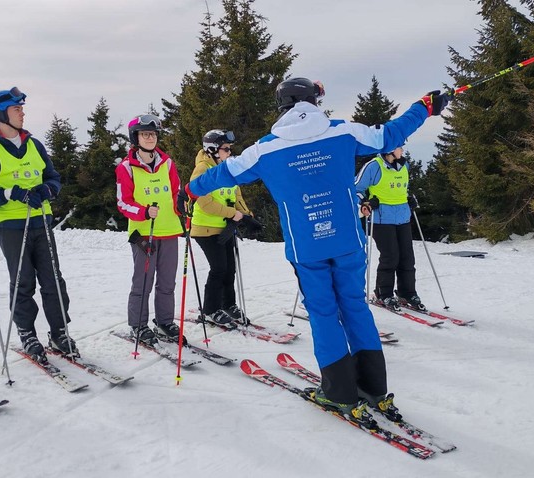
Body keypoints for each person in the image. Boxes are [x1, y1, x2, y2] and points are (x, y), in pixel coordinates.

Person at [186, 77, 450, 418]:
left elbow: (223, 174)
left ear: (283, 106)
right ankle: (374, 388)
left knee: (324, 312)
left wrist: (189, 192)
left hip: (307, 246)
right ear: (313, 102)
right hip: (347, 241)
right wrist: (425, 107)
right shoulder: (342, 132)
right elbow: (391, 134)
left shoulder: (265, 148)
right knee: (355, 306)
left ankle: (339, 392)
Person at [0, 87, 76, 360]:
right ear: (1, 114)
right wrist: (9, 193)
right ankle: (27, 332)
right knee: (23, 280)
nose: (22, 113)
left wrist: (47, 190)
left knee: (53, 280)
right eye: (17, 109)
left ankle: (59, 331)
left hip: (41, 220)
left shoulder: (34, 144)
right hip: (11, 226)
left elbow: (54, 178)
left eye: (22, 109)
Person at [116, 114, 183, 345]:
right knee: (143, 280)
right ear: (135, 137)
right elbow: (122, 202)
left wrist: (183, 207)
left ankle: (165, 321)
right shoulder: (126, 168)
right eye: (145, 134)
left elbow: (176, 192)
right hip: (143, 234)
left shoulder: (168, 163)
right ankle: (138, 324)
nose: (150, 138)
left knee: (167, 282)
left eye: (153, 134)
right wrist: (143, 212)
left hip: (169, 230)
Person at [189, 130, 262, 326]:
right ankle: (210, 310)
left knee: (230, 270)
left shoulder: (227, 168)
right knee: (219, 268)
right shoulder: (203, 169)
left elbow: (236, 196)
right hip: (205, 228)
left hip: (225, 227)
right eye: (225, 149)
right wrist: (233, 215)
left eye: (230, 149)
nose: (229, 152)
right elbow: (205, 203)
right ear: (212, 150)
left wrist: (246, 216)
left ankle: (228, 305)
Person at [356, 146, 424, 312]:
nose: (403, 150)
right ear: (390, 150)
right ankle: (383, 294)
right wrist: (366, 203)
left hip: (403, 217)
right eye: (400, 147)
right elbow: (356, 188)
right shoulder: (373, 166)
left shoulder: (404, 166)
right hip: (381, 219)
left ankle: (407, 293)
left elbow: (402, 189)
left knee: (407, 257)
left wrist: (409, 198)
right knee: (390, 256)